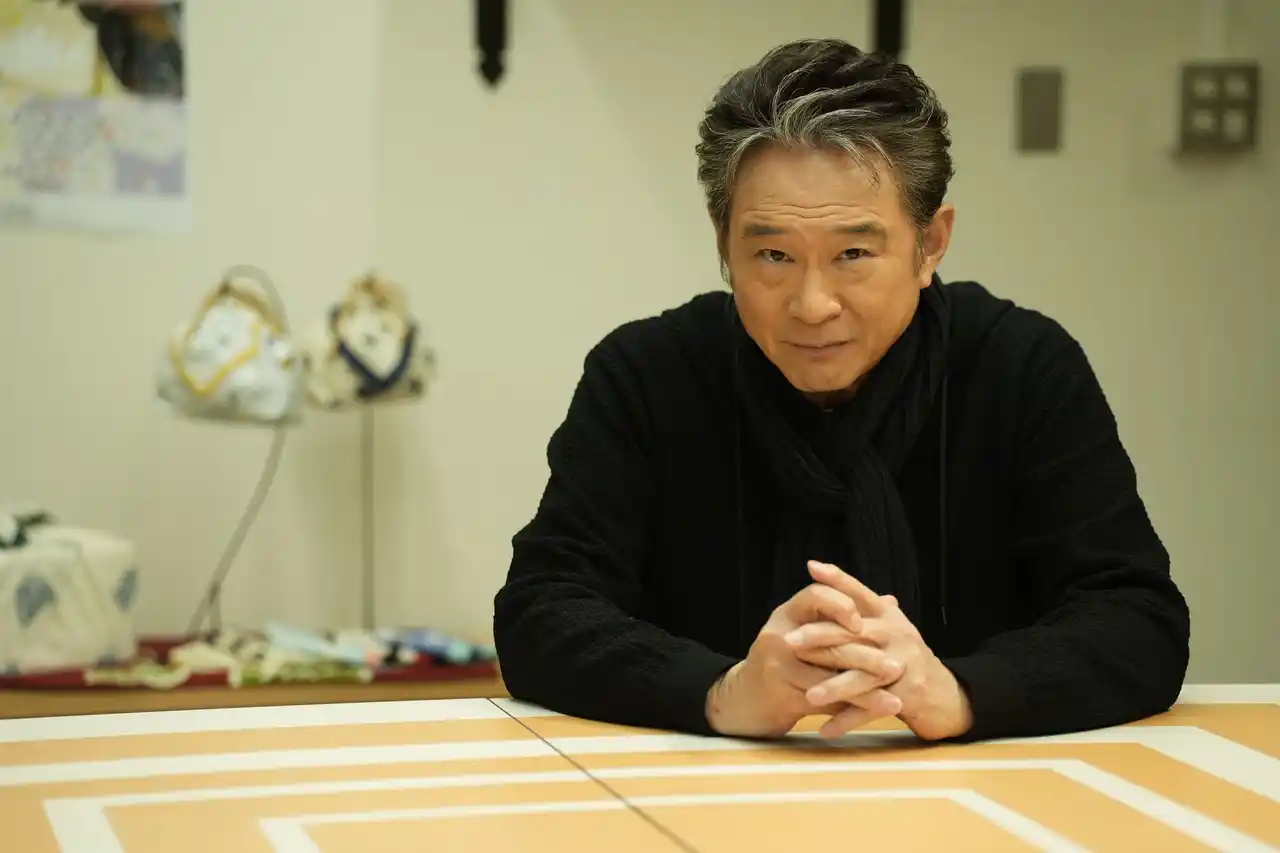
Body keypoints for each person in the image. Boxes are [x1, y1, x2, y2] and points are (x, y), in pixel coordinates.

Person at [493, 38, 1190, 742]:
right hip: (705, 785)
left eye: (853, 253)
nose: (812, 304)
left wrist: (959, 692)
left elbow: (1137, 619)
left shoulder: (1020, 366)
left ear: (930, 244)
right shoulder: (648, 375)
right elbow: (541, 610)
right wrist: (719, 692)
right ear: (723, 243)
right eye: (772, 255)